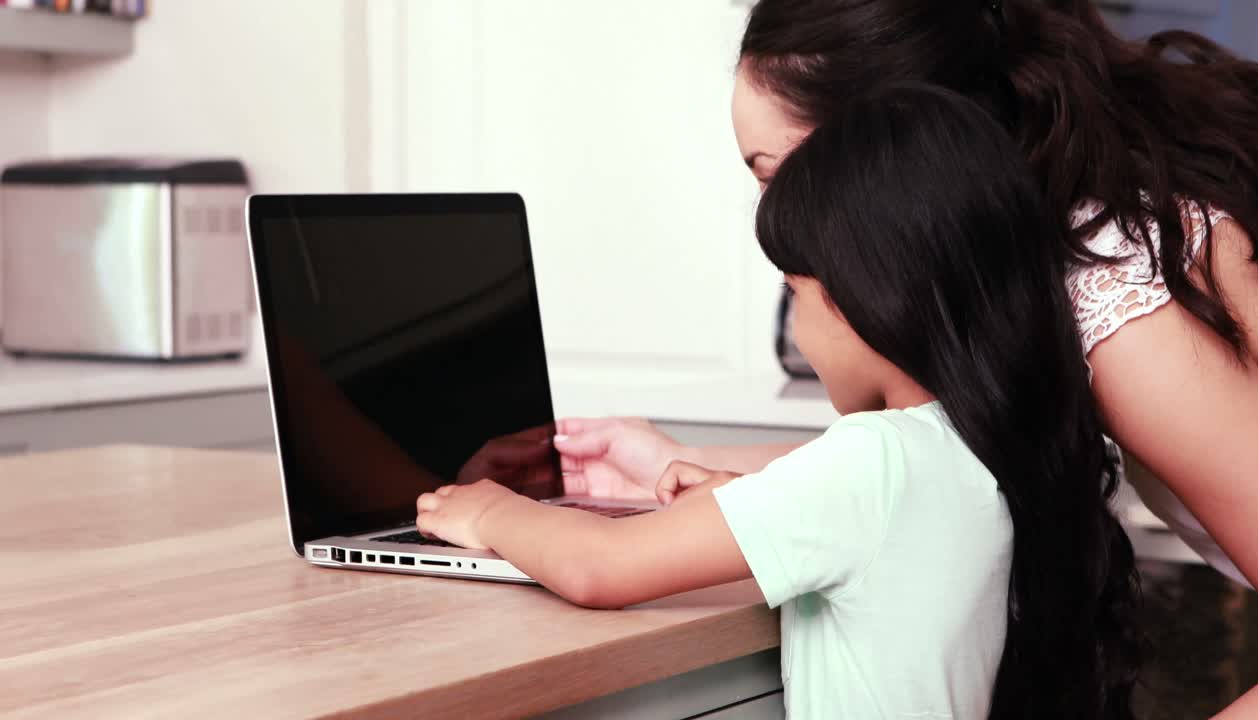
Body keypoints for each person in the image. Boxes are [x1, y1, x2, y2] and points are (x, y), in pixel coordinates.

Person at [554, 2, 1258, 714]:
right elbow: (921, 465)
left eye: (780, 178)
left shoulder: (1118, 309)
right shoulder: (1034, 273)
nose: (776, 223)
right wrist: (679, 460)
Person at [417, 84, 1140, 719]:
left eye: (795, 291)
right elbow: (870, 532)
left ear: (868, 297)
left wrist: (491, 510)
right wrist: (742, 498)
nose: (796, 326)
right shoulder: (980, 443)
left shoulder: (874, 459)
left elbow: (601, 568)